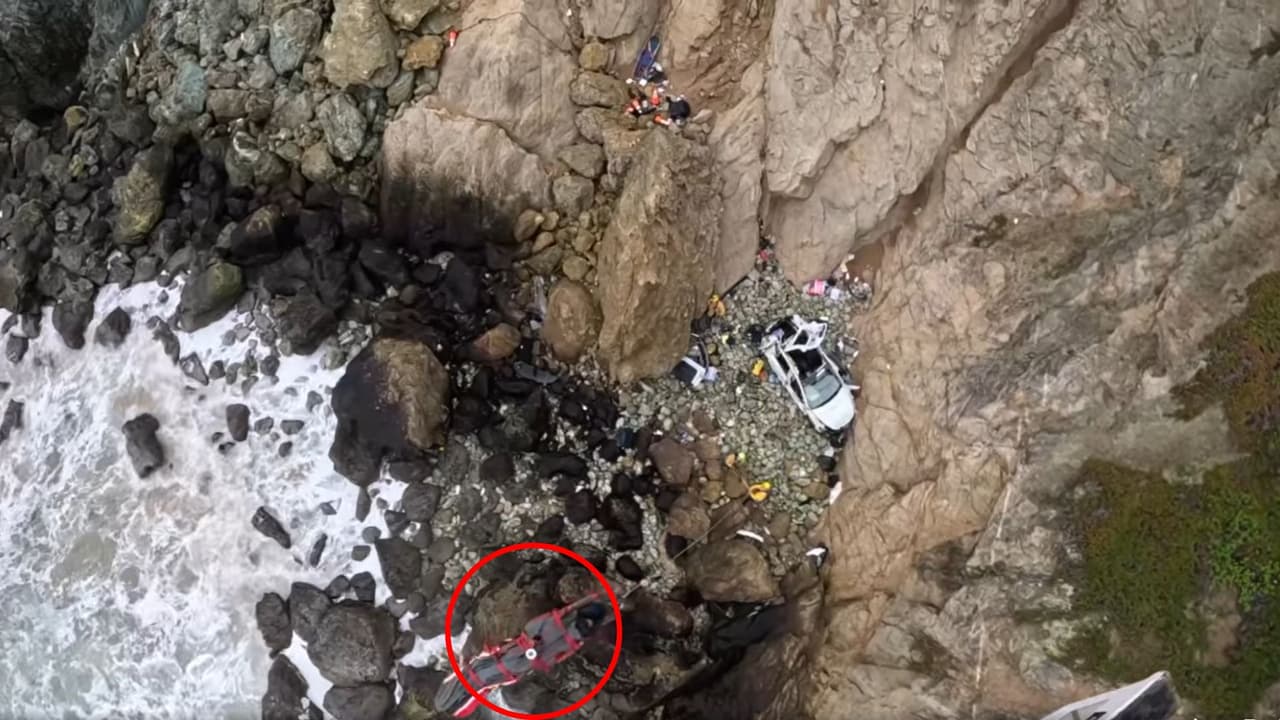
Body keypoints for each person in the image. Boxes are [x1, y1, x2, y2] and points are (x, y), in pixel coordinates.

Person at [433, 596, 614, 717]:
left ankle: (593, 619)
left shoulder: (455, 701)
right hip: (496, 667)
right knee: (542, 642)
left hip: (497, 668)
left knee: (545, 641)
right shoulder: (451, 696)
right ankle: (594, 618)